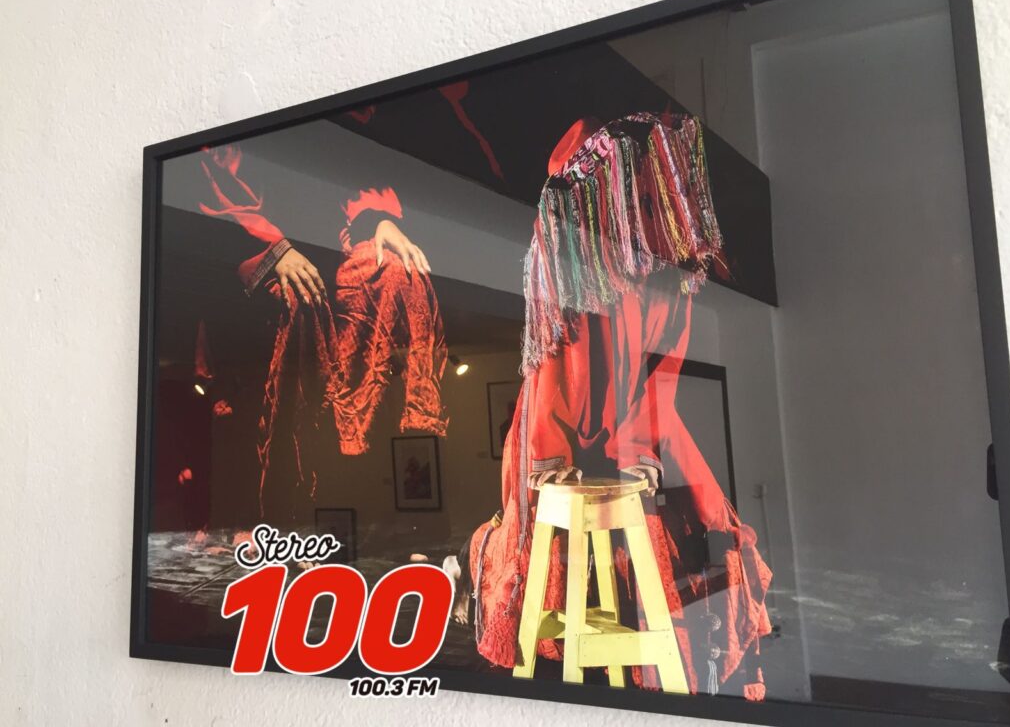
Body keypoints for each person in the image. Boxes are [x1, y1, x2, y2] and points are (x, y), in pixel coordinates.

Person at [465, 113, 772, 699]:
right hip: (602, 436)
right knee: (632, 563)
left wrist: (588, 448)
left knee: (654, 556)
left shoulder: (600, 247)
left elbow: (583, 367)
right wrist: (574, 448)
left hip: (604, 436)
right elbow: (569, 367)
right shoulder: (614, 249)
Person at [189, 143, 447, 519]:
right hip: (250, 253)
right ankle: (288, 483)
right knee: (296, 294)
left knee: (396, 270)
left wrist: (380, 221)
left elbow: (348, 180)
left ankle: (379, 444)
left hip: (329, 246)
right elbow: (211, 204)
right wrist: (274, 251)